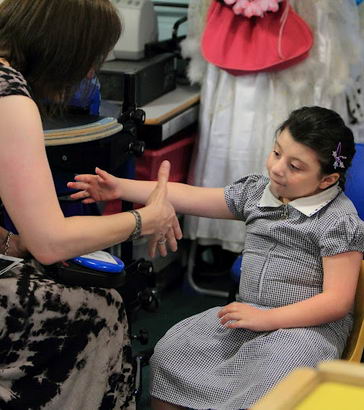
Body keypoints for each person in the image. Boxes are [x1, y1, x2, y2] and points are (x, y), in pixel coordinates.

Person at [68, 106, 364, 409]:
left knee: (277, 376)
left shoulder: (338, 222)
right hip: (249, 313)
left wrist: (269, 319)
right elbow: (191, 196)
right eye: (277, 153)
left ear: (327, 180)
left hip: (305, 329)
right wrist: (120, 187)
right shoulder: (258, 193)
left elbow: (337, 302)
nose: (277, 168)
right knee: (173, 351)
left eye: (295, 166)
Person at [0, 0, 182, 408]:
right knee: (100, 308)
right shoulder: (9, 99)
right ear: (64, 49)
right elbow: (50, 240)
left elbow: (36, 240)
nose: (88, 73)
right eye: (91, 60)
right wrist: (144, 219)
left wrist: (11, 242)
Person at [181, 0, 364, 254]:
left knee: (302, 132)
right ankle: (244, 233)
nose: (276, 169)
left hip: (306, 26)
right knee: (243, 122)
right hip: (239, 29)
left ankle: (300, 231)